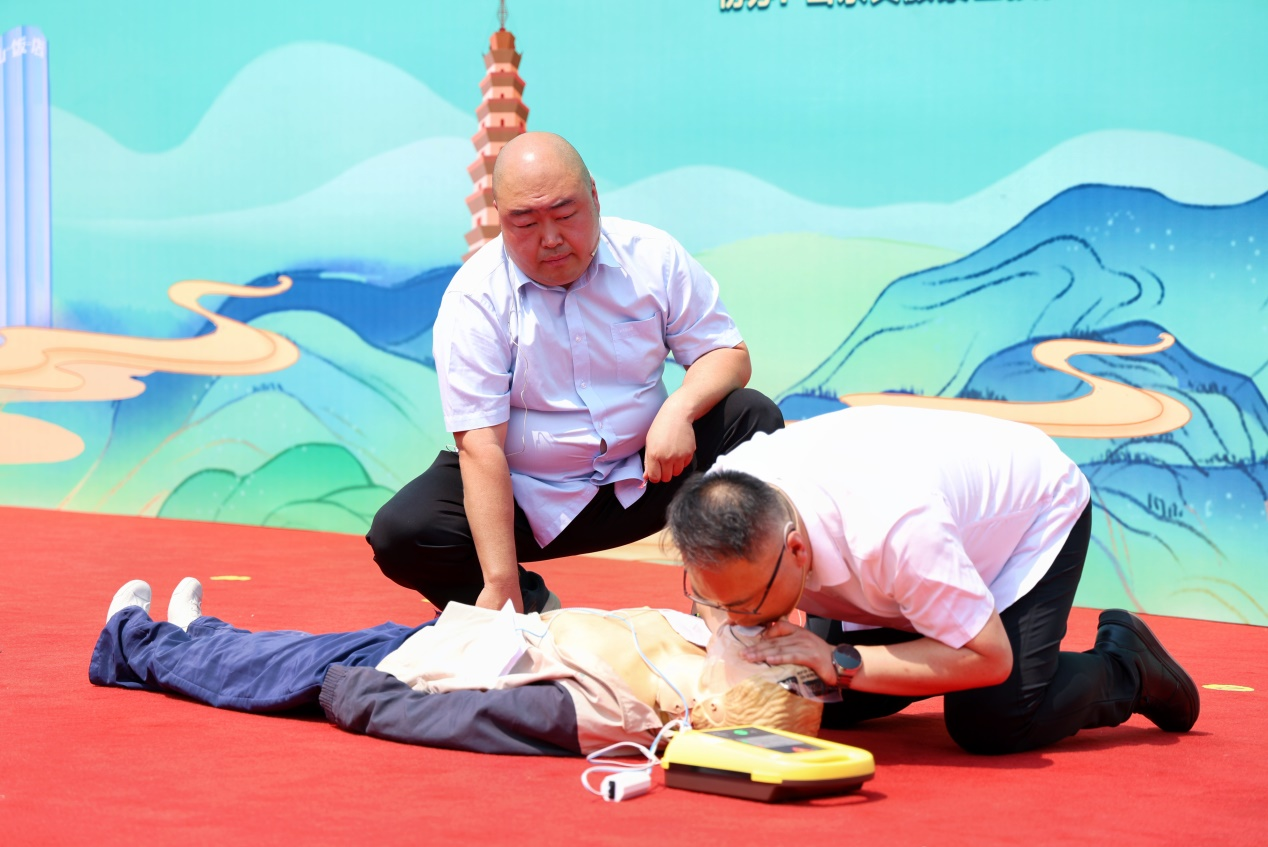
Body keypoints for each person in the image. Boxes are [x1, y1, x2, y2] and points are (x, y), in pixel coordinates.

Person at [367, 132, 782, 615]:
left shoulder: (652, 256)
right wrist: (501, 582)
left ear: (594, 197)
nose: (550, 238)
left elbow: (727, 353)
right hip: (527, 495)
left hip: (649, 472)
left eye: (565, 215)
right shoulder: (474, 298)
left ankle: (731, 608)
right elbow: (480, 445)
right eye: (525, 222)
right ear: (499, 217)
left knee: (751, 418)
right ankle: (531, 609)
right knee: (405, 529)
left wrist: (679, 410)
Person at [665, 405, 1201, 755]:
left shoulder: (896, 529)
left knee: (991, 720)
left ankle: (1127, 665)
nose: (735, 618)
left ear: (796, 550)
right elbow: (720, 595)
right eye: (716, 598)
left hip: (1027, 518)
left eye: (746, 603)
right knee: (819, 698)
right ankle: (932, 625)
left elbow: (989, 658)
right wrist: (723, 630)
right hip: (911, 553)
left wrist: (837, 659)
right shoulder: (725, 494)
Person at [89, 578, 822, 756]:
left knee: (258, 674)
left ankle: (130, 639)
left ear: (720, 707)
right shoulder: (699, 638)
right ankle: (200, 632)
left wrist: (358, 696)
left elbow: (469, 719)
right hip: (455, 635)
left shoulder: (616, 715)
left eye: (778, 671)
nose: (782, 649)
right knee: (272, 649)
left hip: (407, 672)